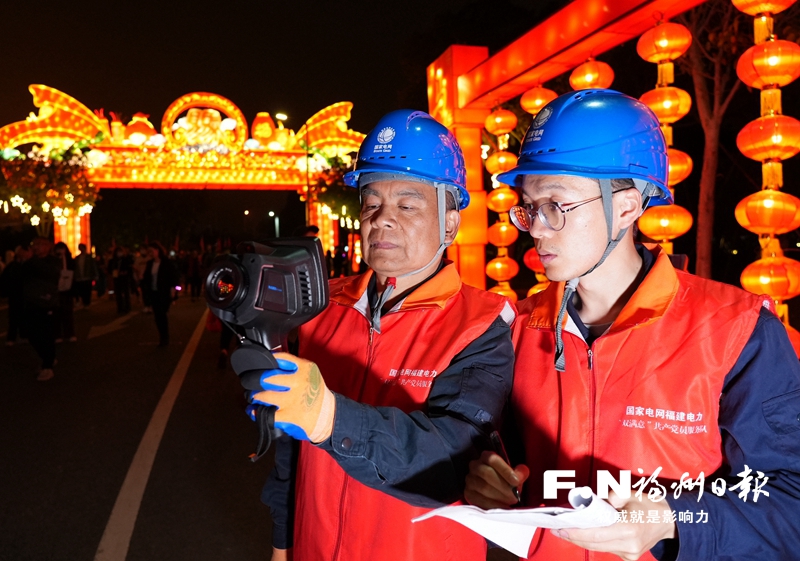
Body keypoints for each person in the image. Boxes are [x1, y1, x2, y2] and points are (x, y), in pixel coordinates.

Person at [464, 89, 800, 561]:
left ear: (626, 207)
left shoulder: (735, 331)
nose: (537, 227)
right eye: (528, 207)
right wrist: (484, 477)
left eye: (556, 205)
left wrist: (670, 518)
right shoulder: (516, 330)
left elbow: (791, 502)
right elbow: (494, 460)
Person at [253, 109, 516, 561]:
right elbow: (291, 450)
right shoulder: (321, 307)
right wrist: (282, 543)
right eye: (372, 203)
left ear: (450, 223)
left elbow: (453, 455)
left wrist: (331, 416)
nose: (382, 220)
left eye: (407, 204)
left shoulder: (483, 325)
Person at [23, 237, 61, 381]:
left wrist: (31, 260)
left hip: (47, 302)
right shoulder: (29, 263)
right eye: (34, 244)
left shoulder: (53, 261)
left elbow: (50, 274)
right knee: (31, 334)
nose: (36, 247)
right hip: (31, 302)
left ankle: (47, 366)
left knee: (46, 334)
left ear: (48, 246)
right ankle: (47, 358)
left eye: (40, 244)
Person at [142, 242, 178, 346]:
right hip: (153, 292)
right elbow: (146, 278)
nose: (150, 253)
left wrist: (175, 289)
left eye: (151, 251)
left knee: (162, 314)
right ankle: (162, 335)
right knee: (157, 316)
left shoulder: (167, 263)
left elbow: (174, 277)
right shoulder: (150, 264)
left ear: (157, 250)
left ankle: (165, 337)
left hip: (164, 293)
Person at [0, 246, 30, 345]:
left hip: (18, 293)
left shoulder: (15, 266)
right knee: (16, 316)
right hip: (17, 293)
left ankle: (16, 336)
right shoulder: (15, 266)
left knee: (18, 316)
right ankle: (15, 336)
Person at [53, 242, 76, 342]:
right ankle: (58, 334)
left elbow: (73, 272)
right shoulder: (53, 261)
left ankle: (69, 333)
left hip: (67, 289)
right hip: (56, 289)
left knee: (68, 312)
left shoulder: (70, 261)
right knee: (56, 313)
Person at [108, 246, 133, 314]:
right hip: (117, 279)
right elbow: (109, 269)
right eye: (117, 252)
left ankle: (127, 307)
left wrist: (124, 272)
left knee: (126, 293)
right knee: (118, 294)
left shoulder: (126, 259)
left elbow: (130, 269)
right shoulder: (113, 261)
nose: (119, 253)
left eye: (120, 252)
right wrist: (114, 272)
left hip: (125, 278)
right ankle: (120, 308)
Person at [72, 243, 98, 307]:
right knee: (81, 290)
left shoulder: (89, 257)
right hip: (79, 277)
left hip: (87, 277)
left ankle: (87, 302)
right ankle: (84, 302)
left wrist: (95, 275)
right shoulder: (77, 258)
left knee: (87, 290)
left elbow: (93, 266)